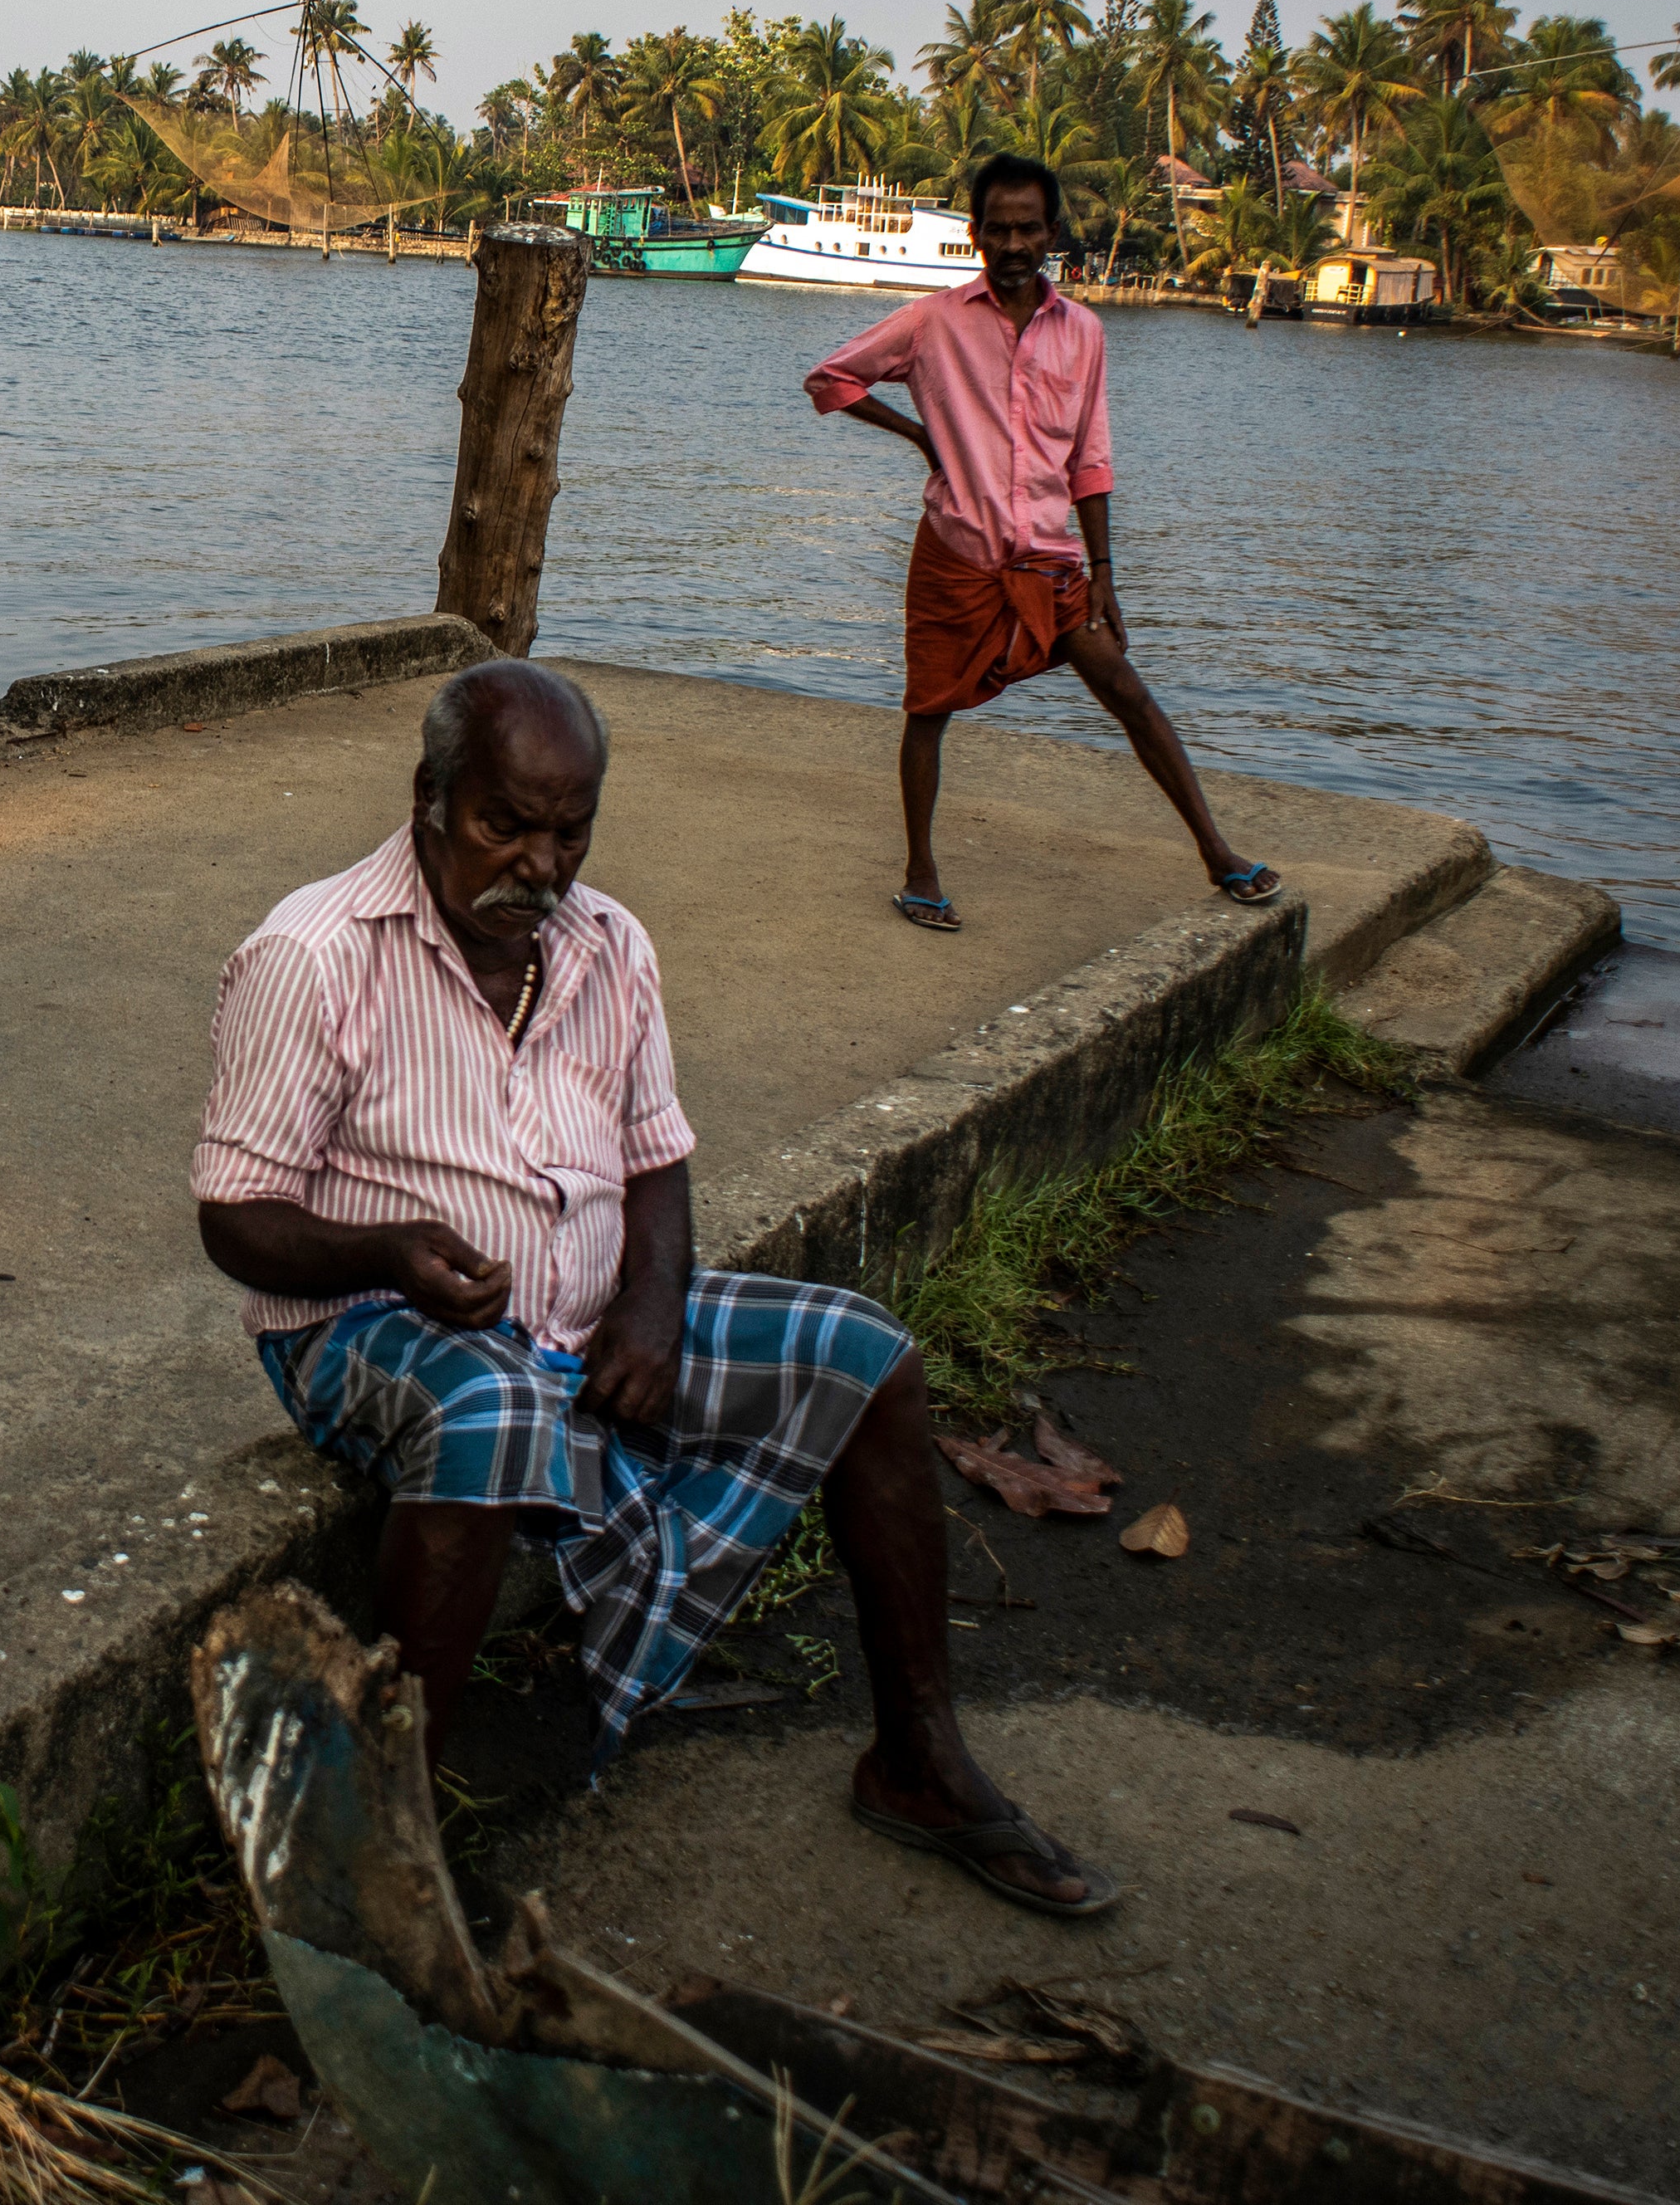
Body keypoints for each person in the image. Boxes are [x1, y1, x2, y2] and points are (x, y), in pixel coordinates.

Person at [194, 661, 1116, 1915]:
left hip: (579, 1318)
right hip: (367, 1318)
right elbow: (236, 1217)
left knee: (868, 1357)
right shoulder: (313, 956)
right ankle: (388, 1858)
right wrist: (384, 1249)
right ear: (428, 796)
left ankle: (918, 1757)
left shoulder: (609, 945)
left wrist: (651, 1301)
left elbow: (657, 1157)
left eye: (569, 832)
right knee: (495, 1413)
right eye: (502, 824)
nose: (538, 862)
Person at [803, 153, 1277, 934]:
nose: (1015, 242)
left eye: (1029, 227)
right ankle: (921, 871)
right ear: (975, 234)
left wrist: (1105, 573)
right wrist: (922, 435)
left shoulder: (1083, 332)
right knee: (929, 708)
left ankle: (1217, 851)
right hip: (957, 555)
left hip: (1051, 563)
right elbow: (832, 379)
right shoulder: (935, 323)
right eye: (999, 227)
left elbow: (1090, 460)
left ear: (1053, 232)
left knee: (1125, 689)